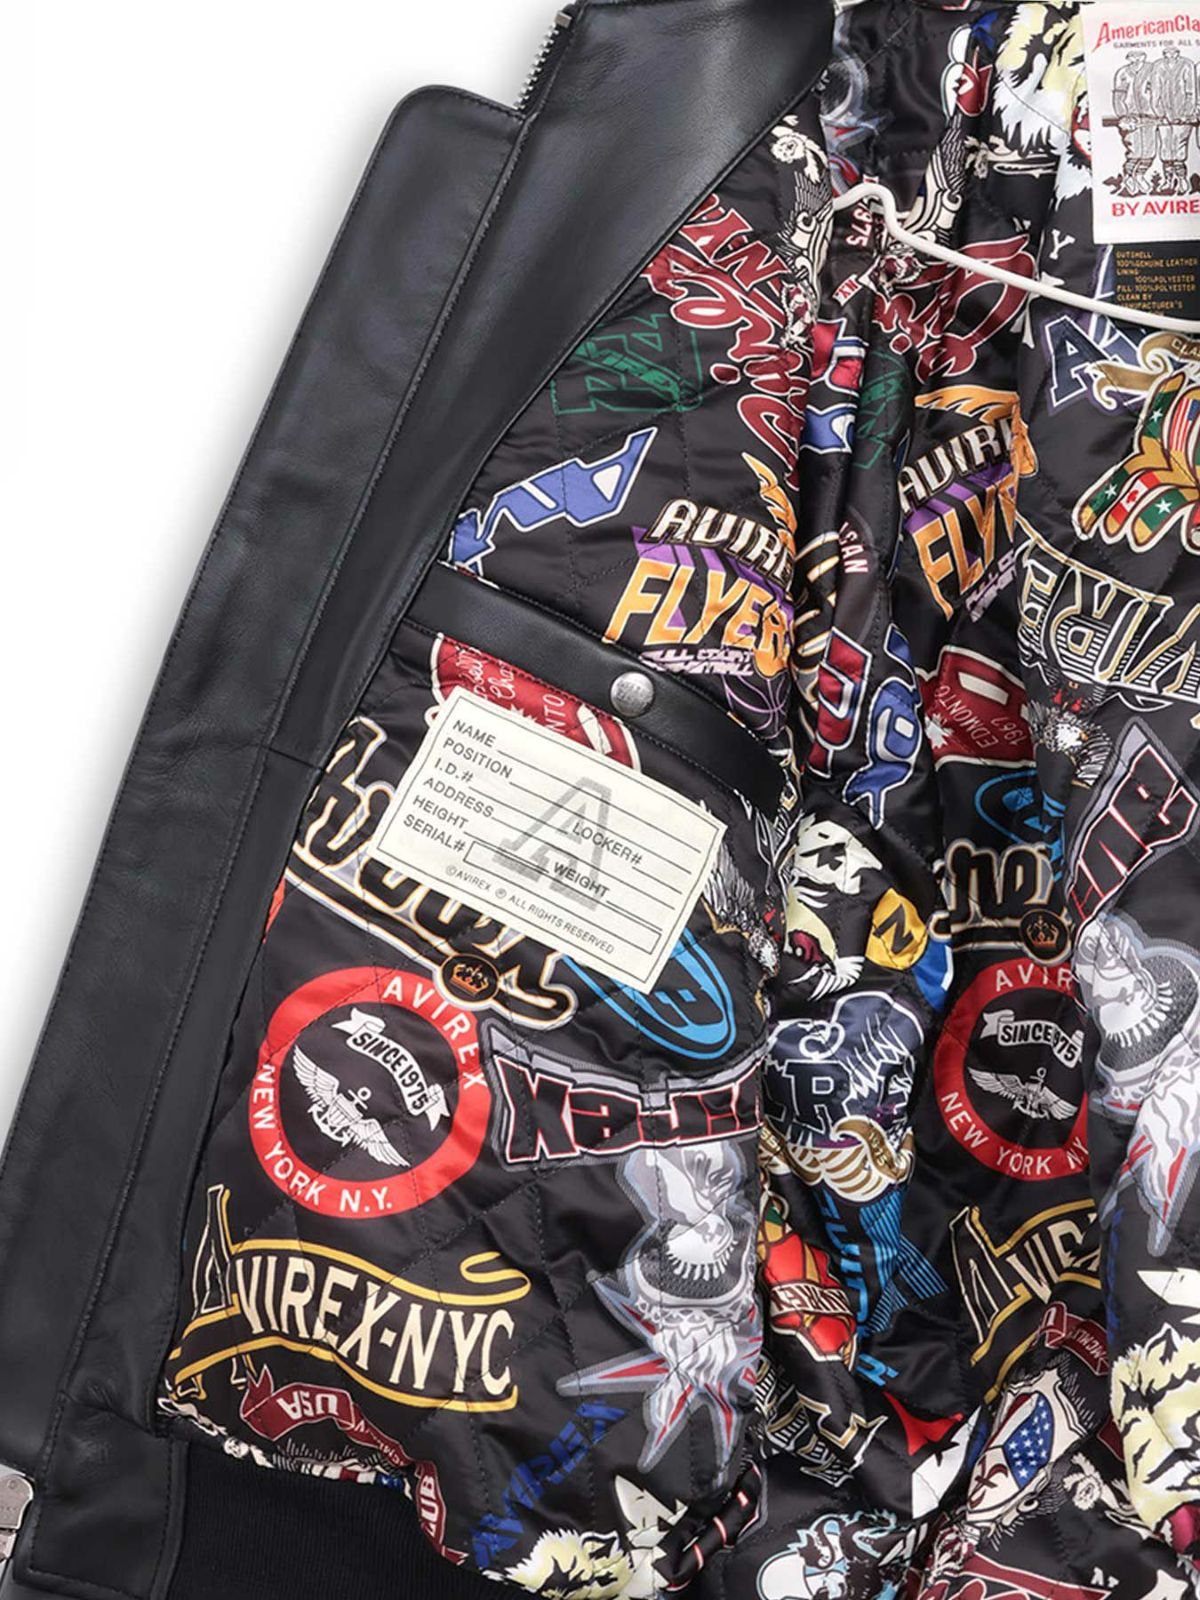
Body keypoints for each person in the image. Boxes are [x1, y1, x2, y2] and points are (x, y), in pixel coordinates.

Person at [1150, 42, 1199, 194]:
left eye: (1173, 52)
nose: (1170, 55)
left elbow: (1191, 90)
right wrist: (1159, 112)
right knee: (1165, 147)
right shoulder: (1158, 65)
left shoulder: (1187, 64)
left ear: (1178, 53)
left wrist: (1187, 112)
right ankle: (1168, 180)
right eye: (1167, 52)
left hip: (1182, 114)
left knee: (1179, 147)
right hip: (1164, 114)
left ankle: (1182, 178)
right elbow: (1155, 91)